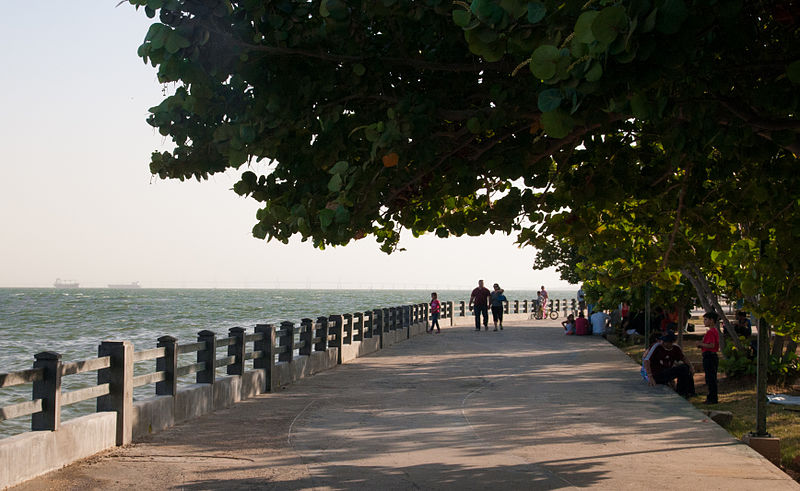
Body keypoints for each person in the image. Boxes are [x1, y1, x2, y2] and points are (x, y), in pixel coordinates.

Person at [642, 331, 696, 397]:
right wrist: (650, 376)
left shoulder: (676, 348)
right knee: (683, 368)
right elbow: (646, 360)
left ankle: (688, 391)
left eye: (665, 341)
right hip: (657, 374)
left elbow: (684, 358)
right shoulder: (656, 347)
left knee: (686, 368)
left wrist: (691, 367)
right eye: (662, 341)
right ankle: (682, 392)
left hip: (667, 371)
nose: (662, 343)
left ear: (671, 342)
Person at [697, 311, 720, 404]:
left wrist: (700, 344)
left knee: (710, 378)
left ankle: (712, 398)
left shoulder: (711, 332)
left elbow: (711, 345)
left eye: (706, 319)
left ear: (711, 320)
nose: (704, 321)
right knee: (711, 377)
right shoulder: (713, 331)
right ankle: (711, 397)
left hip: (709, 356)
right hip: (711, 356)